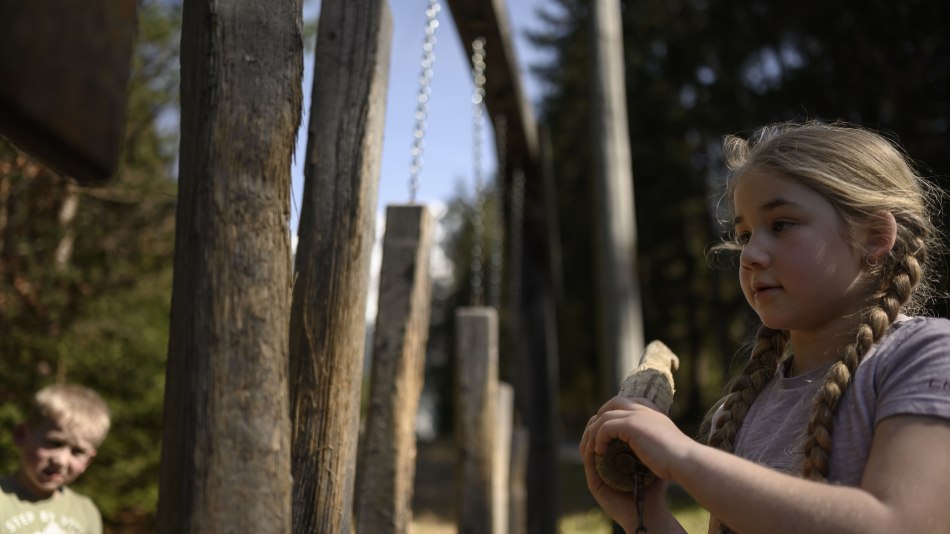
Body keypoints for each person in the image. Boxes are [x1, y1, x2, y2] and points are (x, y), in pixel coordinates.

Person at [580, 120, 950, 533]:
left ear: (875, 237)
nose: (750, 254)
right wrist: (647, 516)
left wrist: (683, 457)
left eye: (781, 225)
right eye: (743, 235)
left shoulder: (926, 356)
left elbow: (899, 524)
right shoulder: (739, 410)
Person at [1, 383, 111, 533]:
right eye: (54, 443)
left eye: (77, 451)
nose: (61, 461)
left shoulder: (86, 512)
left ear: (88, 461)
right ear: (22, 435)